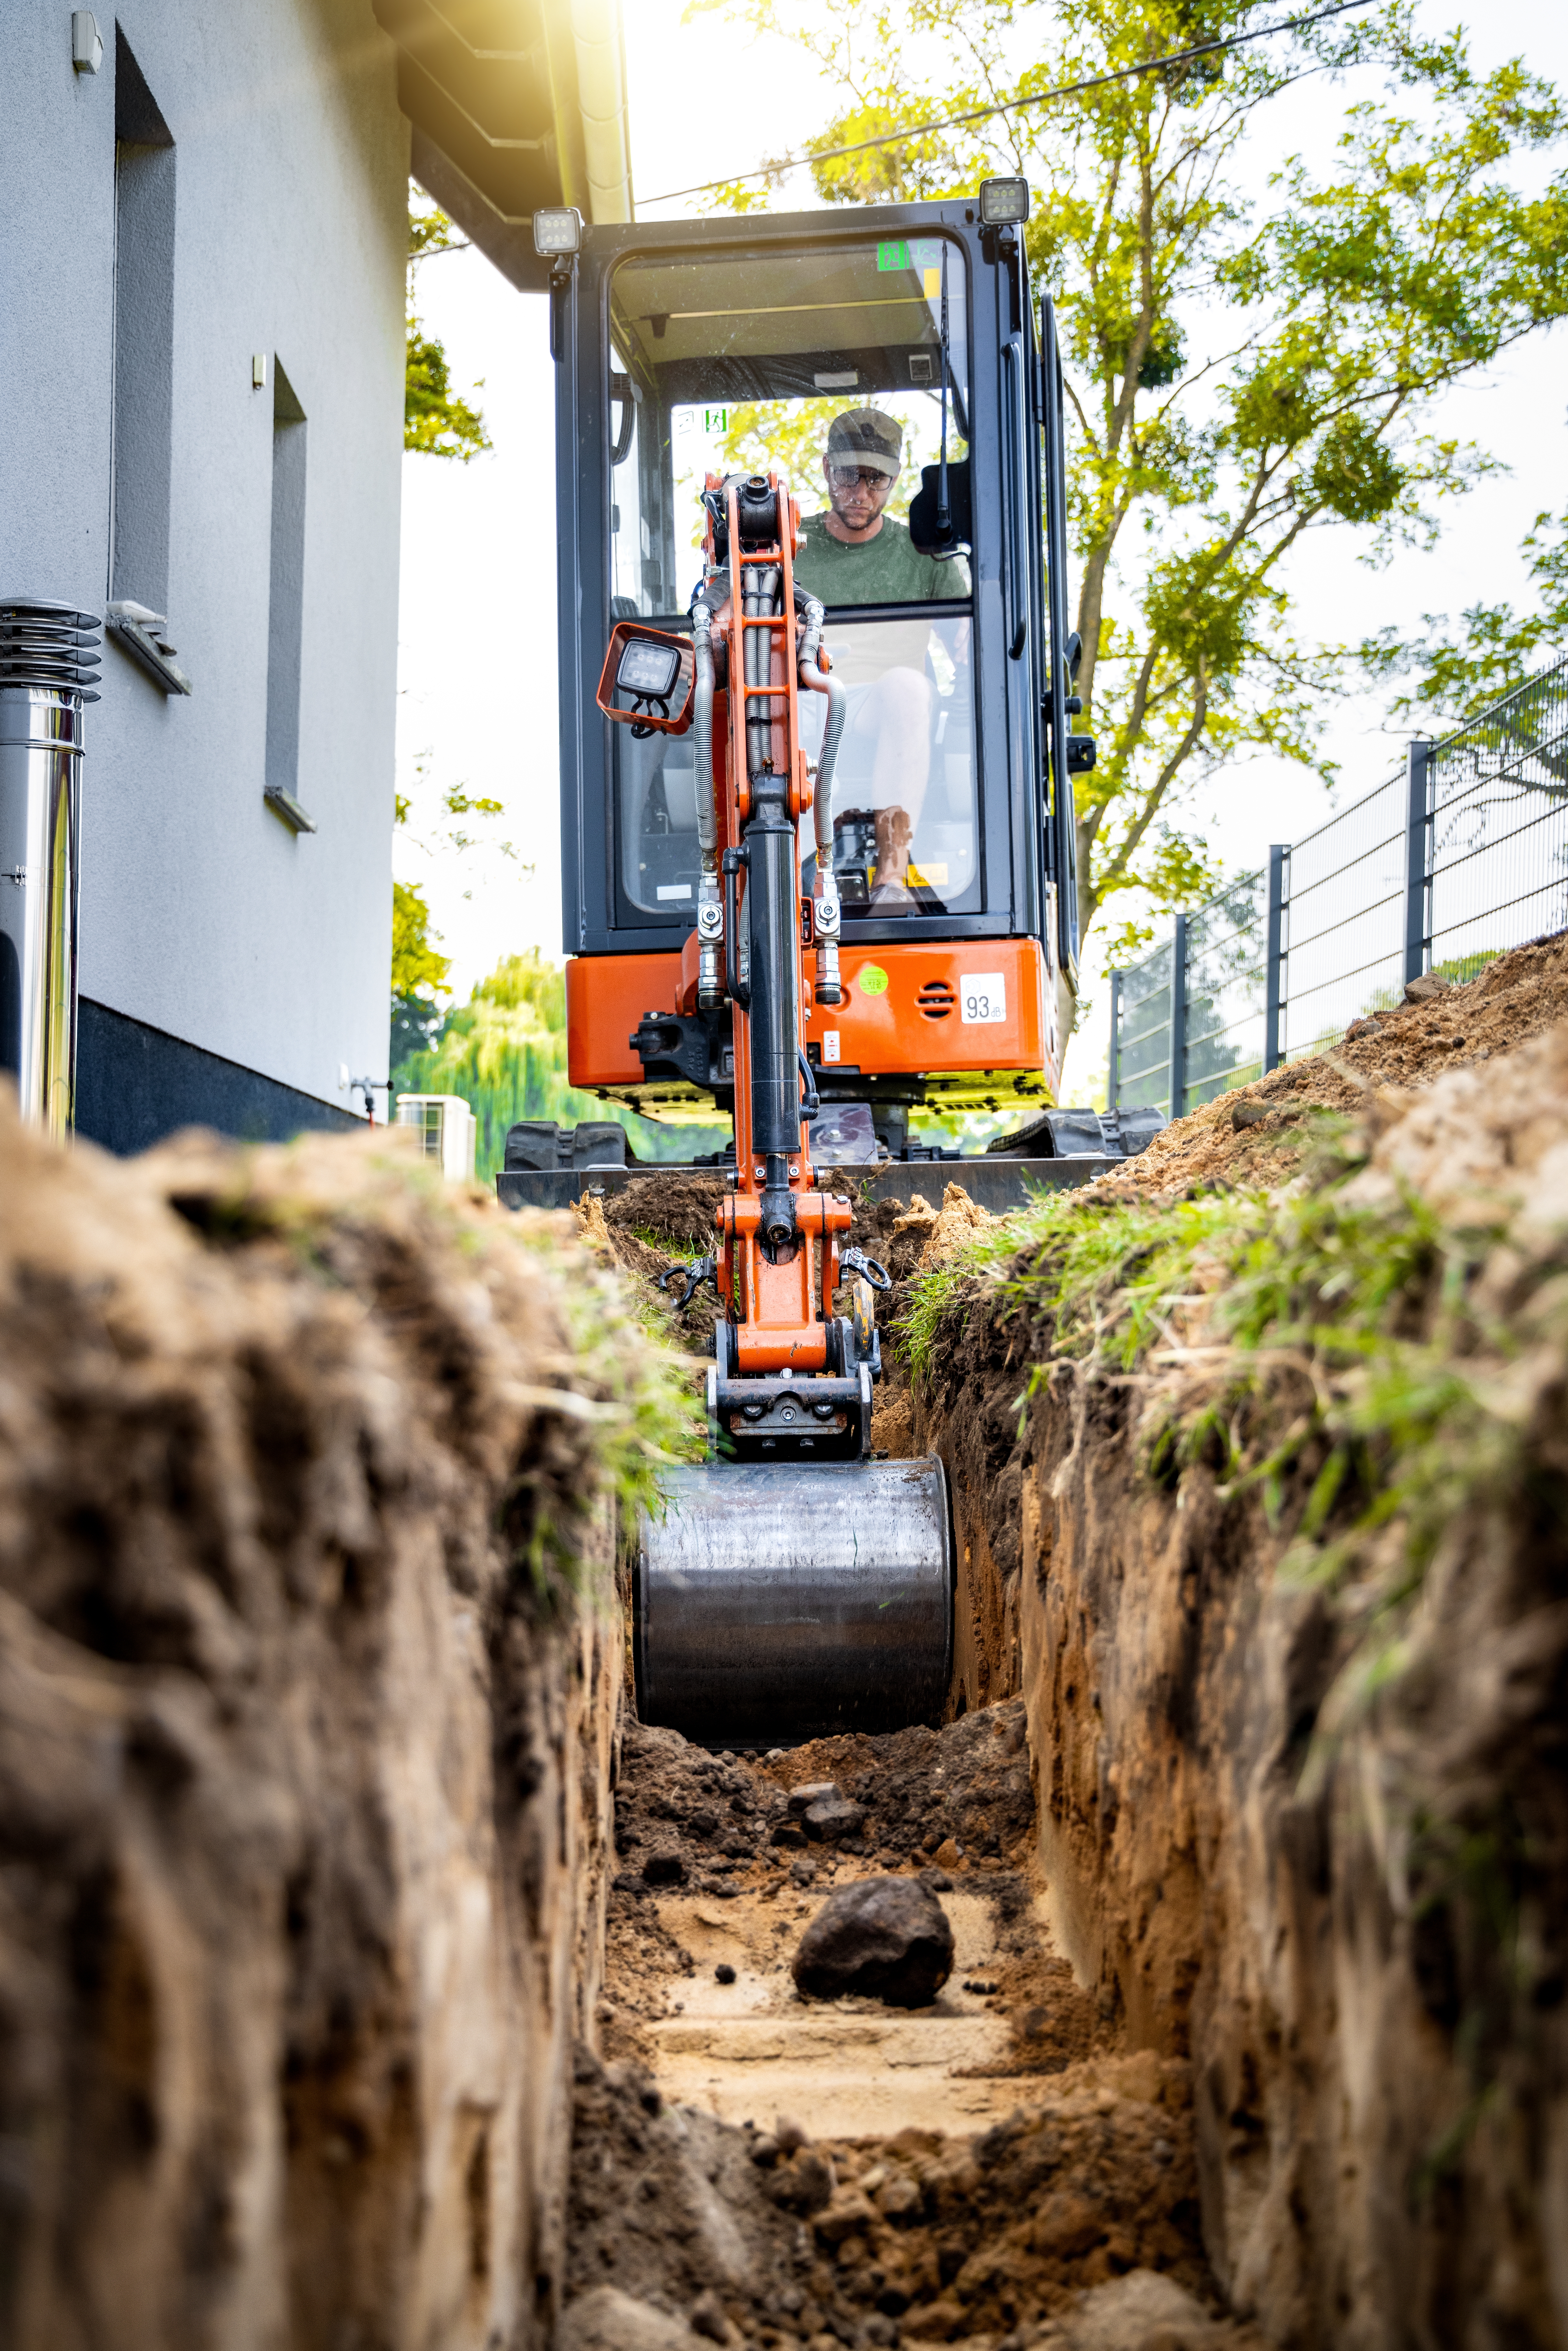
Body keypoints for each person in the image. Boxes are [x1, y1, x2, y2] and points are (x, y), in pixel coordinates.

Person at [794, 409, 970, 907]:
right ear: (829, 469)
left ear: (895, 479)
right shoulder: (791, 548)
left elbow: (966, 640)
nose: (861, 493)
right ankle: (776, 889)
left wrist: (965, 642)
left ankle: (891, 879)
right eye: (851, 476)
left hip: (881, 706)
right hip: (804, 698)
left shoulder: (923, 555)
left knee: (910, 686)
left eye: (877, 480)